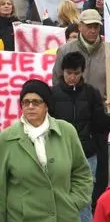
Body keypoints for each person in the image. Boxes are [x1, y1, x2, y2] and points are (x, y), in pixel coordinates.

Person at [52, 8, 110, 207]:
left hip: (98, 117)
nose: (93, 30)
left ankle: (96, 209)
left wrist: (104, 102)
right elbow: (57, 80)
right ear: (80, 26)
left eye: (96, 26)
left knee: (97, 170)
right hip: (71, 116)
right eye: (89, 26)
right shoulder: (66, 50)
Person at [0, 79, 93, 222]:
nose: (30, 106)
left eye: (36, 102)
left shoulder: (66, 131)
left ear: (47, 105)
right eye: (26, 102)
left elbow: (82, 173)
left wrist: (74, 202)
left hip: (64, 217)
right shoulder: (6, 138)